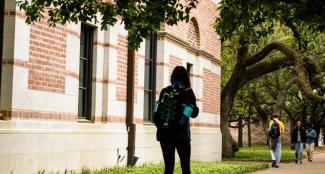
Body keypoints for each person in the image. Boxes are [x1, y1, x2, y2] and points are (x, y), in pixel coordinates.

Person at [154, 66, 199, 174]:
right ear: (186, 78)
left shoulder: (165, 91)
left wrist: (162, 126)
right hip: (181, 134)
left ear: (173, 77)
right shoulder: (188, 92)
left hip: (164, 134)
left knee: (168, 167)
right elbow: (194, 113)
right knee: (185, 167)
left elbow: (156, 112)